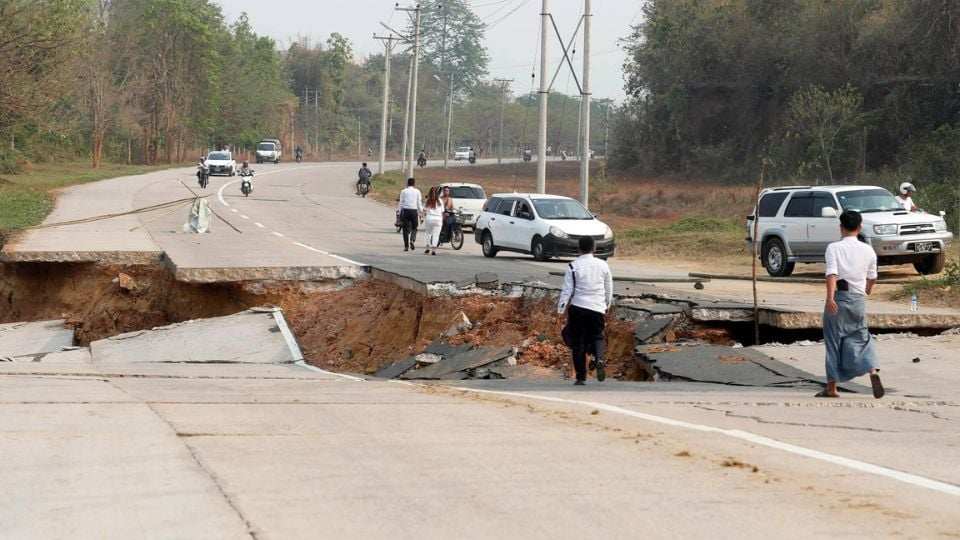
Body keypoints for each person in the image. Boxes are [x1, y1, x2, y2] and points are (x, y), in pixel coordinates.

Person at [820, 210, 884, 399]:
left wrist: (830, 298)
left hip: (839, 297)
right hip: (858, 299)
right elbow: (873, 277)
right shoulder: (868, 250)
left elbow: (832, 274)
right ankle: (872, 370)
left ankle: (832, 388)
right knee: (862, 336)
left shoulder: (834, 248)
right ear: (860, 227)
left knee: (833, 341)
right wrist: (867, 290)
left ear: (841, 227)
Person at [557, 236, 614, 386]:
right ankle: (599, 357)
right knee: (597, 336)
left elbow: (567, 290)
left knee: (578, 343)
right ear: (594, 248)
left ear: (579, 249)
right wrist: (606, 304)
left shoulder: (573, 266)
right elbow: (609, 287)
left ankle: (581, 377)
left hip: (578, 308)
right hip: (597, 307)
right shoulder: (603, 265)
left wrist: (561, 308)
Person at [397, 177, 423, 252]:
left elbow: (401, 203)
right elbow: (419, 203)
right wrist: (421, 212)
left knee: (405, 229)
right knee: (415, 227)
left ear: (407, 183)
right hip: (414, 211)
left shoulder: (403, 191)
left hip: (405, 211)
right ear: (414, 184)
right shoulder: (417, 191)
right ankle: (412, 240)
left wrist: (398, 212)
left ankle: (406, 246)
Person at [423, 187, 444, 256]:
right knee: (436, 235)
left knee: (428, 233)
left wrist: (423, 218)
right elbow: (442, 212)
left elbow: (424, 210)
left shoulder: (428, 201)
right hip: (438, 219)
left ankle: (427, 248)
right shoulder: (440, 201)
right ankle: (434, 250)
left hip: (429, 218)